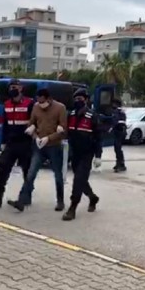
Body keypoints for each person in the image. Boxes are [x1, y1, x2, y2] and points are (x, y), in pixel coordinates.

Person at [7, 88, 67, 212]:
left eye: (43, 102)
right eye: (39, 102)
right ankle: (21, 201)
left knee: (58, 175)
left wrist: (49, 138)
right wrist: (34, 136)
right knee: (30, 173)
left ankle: (60, 201)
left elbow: (63, 130)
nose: (41, 105)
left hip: (54, 146)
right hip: (39, 146)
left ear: (49, 99)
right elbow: (32, 123)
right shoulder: (36, 107)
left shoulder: (60, 108)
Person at [0, 79, 34, 207]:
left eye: (15, 87)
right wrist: (3, 142)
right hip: (11, 142)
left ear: (21, 88)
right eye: (11, 87)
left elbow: (35, 120)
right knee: (2, 167)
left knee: (27, 171)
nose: (13, 89)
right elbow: (5, 125)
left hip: (25, 142)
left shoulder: (29, 103)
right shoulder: (6, 104)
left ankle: (25, 198)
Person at [62, 89, 102, 221]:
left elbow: (98, 137)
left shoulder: (92, 116)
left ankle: (72, 208)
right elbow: (68, 132)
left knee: (78, 180)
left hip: (87, 153)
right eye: (76, 98)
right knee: (81, 180)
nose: (78, 101)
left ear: (86, 100)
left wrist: (98, 156)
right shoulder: (71, 114)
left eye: (81, 98)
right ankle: (92, 197)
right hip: (75, 153)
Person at [111, 98, 127, 172]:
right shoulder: (118, 111)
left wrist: (110, 128)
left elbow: (116, 121)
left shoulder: (118, 111)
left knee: (118, 148)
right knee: (117, 148)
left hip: (120, 131)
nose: (112, 105)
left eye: (114, 103)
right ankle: (119, 163)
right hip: (119, 131)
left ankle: (121, 164)